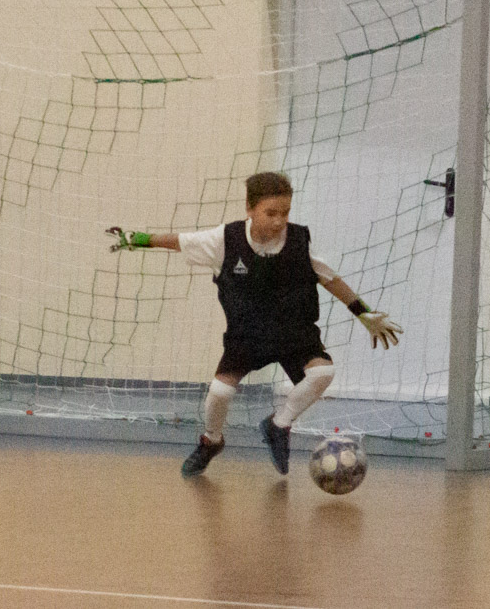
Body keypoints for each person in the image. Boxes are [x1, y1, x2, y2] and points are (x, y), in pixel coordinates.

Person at [107, 171, 403, 476]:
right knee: (220, 393)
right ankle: (211, 441)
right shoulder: (225, 239)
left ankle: (279, 424)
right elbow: (180, 241)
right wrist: (139, 239)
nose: (279, 221)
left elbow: (330, 279)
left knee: (323, 372)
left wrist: (363, 313)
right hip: (247, 335)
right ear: (250, 208)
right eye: (270, 213)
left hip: (294, 332)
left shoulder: (299, 240)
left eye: (285, 213)